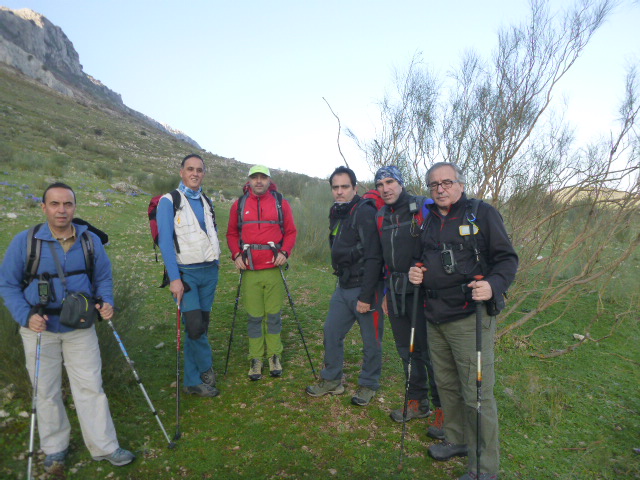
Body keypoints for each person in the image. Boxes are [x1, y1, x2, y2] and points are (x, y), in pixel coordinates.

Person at [0, 182, 135, 472]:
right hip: (39, 328)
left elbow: (103, 277)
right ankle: (54, 449)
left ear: (74, 207)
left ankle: (104, 446)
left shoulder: (90, 241)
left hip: (80, 327)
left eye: (67, 204)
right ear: (43, 207)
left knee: (90, 386)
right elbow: (8, 284)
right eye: (55, 204)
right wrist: (25, 316)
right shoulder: (26, 242)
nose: (61, 210)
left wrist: (106, 301)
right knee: (45, 391)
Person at [408, 162, 518, 480]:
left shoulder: (481, 213)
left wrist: (493, 285)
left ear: (460, 184)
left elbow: (507, 258)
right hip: (434, 315)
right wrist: (417, 270)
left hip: (470, 318)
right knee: (446, 384)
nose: (440, 189)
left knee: (477, 394)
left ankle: (485, 469)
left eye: (446, 182)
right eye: (434, 185)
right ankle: (456, 439)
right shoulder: (428, 220)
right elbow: (421, 258)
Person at [306, 166, 385, 406]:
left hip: (366, 287)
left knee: (371, 340)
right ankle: (332, 379)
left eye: (344, 187)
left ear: (355, 188)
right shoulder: (337, 211)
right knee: (331, 332)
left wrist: (366, 296)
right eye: (335, 187)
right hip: (343, 285)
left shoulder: (364, 212)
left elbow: (374, 257)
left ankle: (369, 384)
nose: (339, 192)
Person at [374, 166, 443, 438]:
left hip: (422, 290)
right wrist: (384, 293)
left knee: (430, 353)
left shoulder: (422, 206)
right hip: (395, 291)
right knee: (407, 351)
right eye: (380, 184)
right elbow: (383, 259)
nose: (385, 188)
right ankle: (417, 402)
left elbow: (439, 242)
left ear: (401, 183)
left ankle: (443, 409)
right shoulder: (381, 215)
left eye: (390, 181)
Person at [157, 154, 221, 397]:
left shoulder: (206, 200)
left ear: (203, 173)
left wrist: (216, 263)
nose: (195, 173)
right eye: (190, 169)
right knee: (194, 327)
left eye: (199, 170)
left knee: (200, 326)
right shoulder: (169, 201)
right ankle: (205, 367)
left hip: (209, 271)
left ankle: (192, 381)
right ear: (181, 172)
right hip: (187, 274)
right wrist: (174, 279)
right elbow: (165, 241)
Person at [226, 165, 297, 380]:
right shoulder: (239, 204)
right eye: (255, 177)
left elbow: (291, 232)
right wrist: (236, 255)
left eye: (263, 177)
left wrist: (285, 252)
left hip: (273, 269)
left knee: (273, 316)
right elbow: (231, 233)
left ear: (269, 180)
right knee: (254, 317)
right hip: (250, 270)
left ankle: (274, 355)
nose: (259, 181)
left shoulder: (280, 203)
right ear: (249, 180)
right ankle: (255, 358)